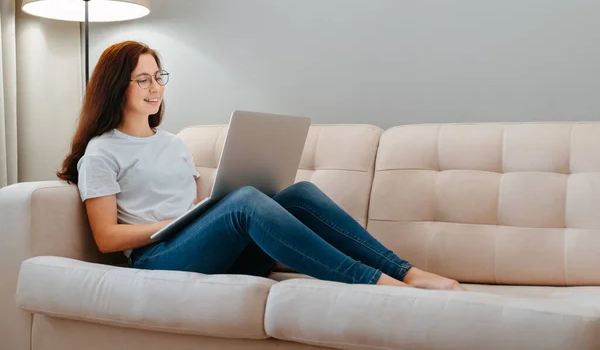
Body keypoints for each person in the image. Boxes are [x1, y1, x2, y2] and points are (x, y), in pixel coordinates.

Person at [57, 40, 464, 291]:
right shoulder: (102, 151)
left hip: (210, 256)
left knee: (298, 195)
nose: (155, 87)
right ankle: (373, 283)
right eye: (142, 79)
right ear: (116, 87)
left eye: (158, 76)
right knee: (246, 202)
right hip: (157, 259)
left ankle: (405, 272)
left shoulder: (174, 144)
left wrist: (199, 214)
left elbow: (200, 207)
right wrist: (176, 224)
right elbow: (107, 238)